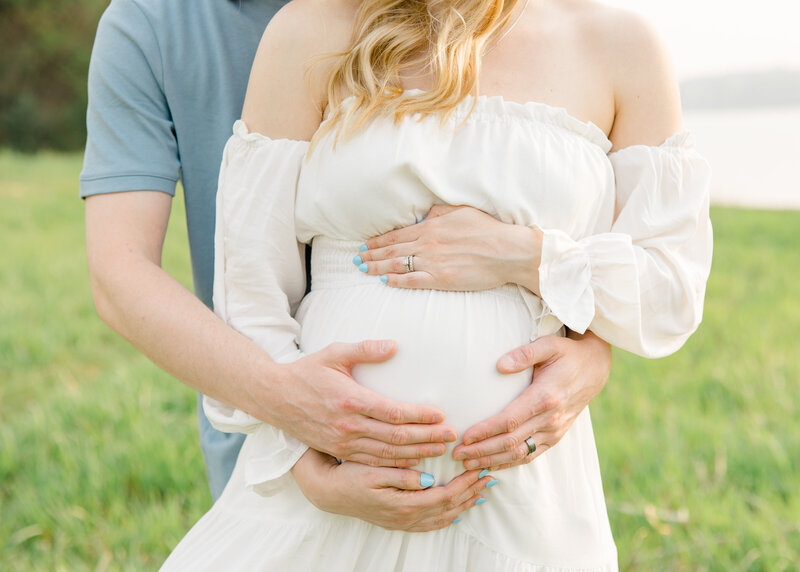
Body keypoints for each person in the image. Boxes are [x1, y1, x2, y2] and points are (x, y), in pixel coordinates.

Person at [160, 0, 713, 568]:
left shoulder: (620, 43)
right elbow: (248, 290)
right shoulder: (310, 28)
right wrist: (305, 456)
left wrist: (529, 257)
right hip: (328, 497)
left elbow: (670, 290)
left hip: (522, 503)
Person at [81, 0, 612, 530]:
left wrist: (594, 349)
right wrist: (289, 414)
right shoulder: (156, 24)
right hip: (263, 432)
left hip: (509, 482)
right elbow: (119, 273)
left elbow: (552, 202)